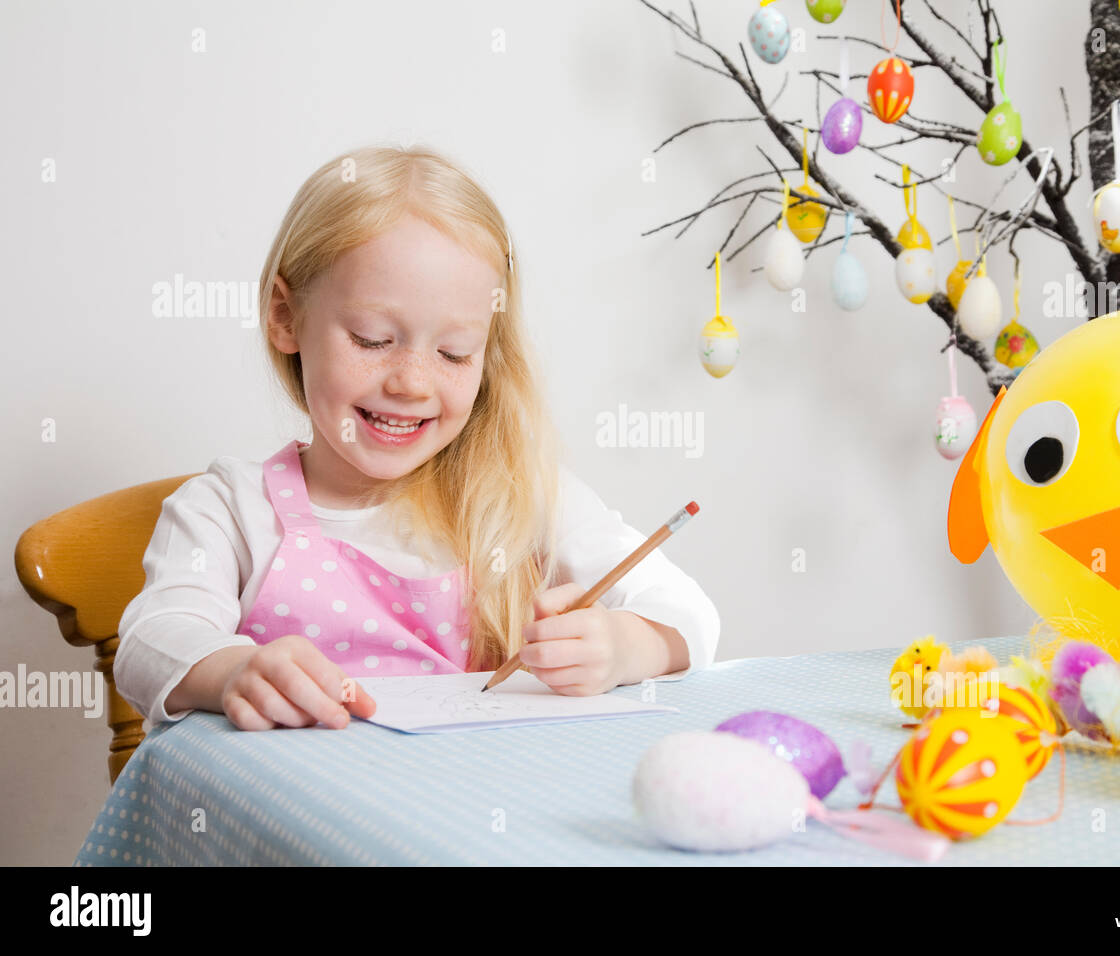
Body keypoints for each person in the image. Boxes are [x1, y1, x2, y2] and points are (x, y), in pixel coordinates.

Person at [114, 144, 720, 731]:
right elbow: (151, 641)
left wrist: (625, 646)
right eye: (374, 339)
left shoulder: (522, 500)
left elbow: (690, 615)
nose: (411, 382)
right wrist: (232, 670)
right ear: (284, 316)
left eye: (454, 353)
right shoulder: (228, 509)